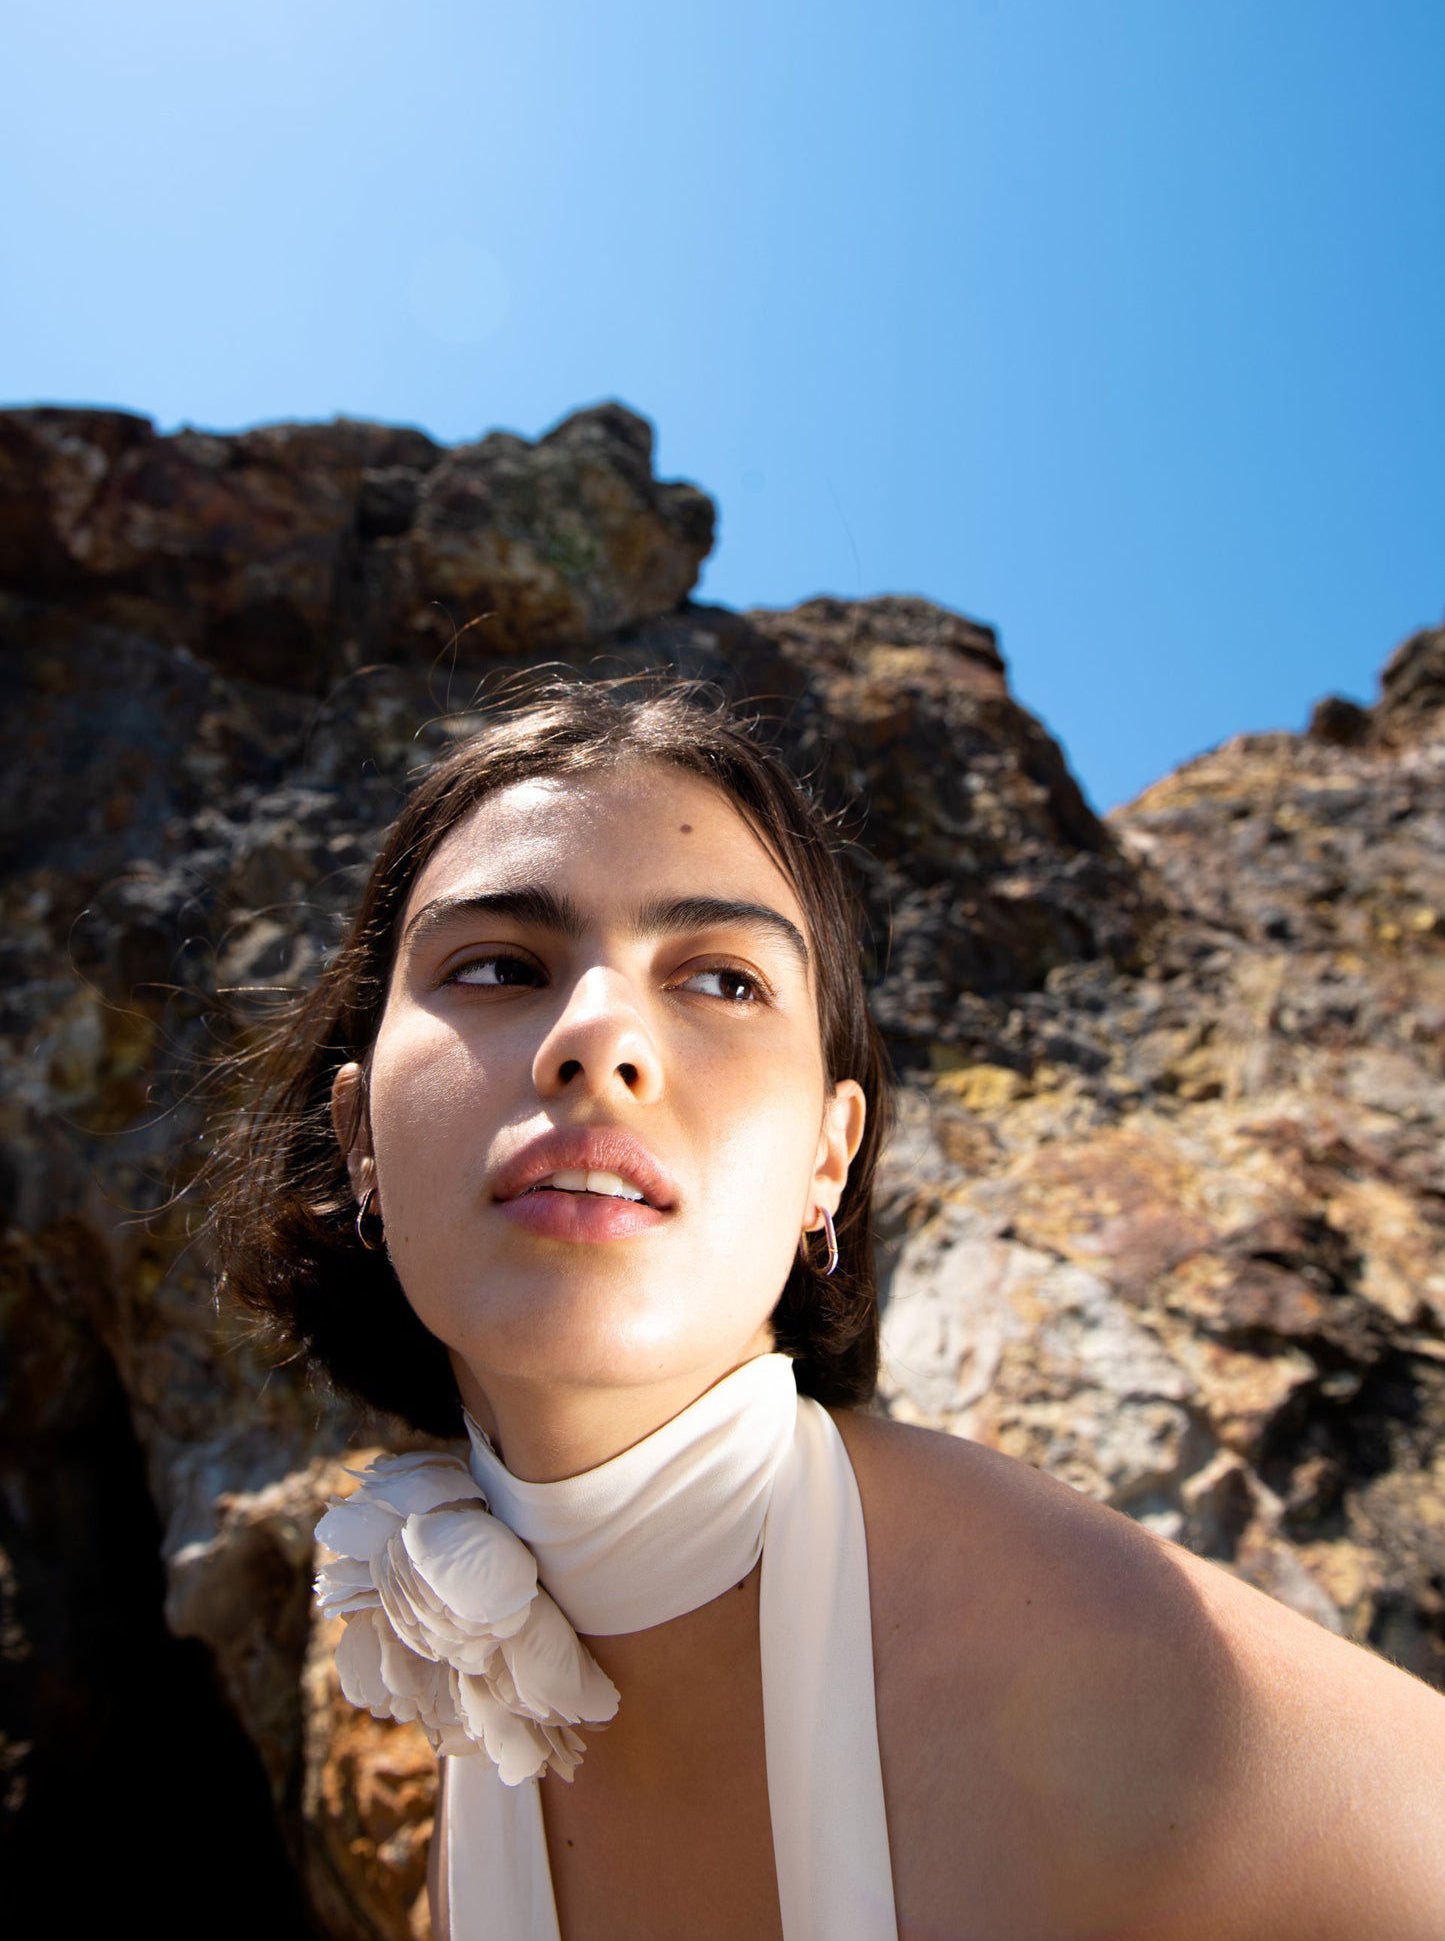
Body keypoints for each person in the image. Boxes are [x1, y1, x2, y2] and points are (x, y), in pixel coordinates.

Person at [215, 680, 1445, 1941]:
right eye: (495, 964)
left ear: (828, 1156)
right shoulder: (476, 1786)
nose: (597, 1035)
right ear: (358, 1135)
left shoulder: (1113, 1676)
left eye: (723, 980)